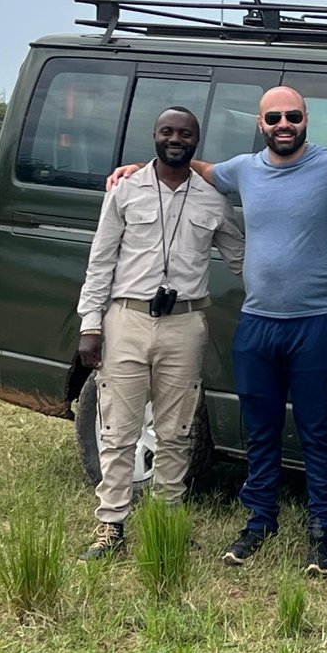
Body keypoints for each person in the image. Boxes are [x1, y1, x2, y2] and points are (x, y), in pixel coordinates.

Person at [106, 87, 327, 576]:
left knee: (317, 432)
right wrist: (134, 169)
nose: (284, 124)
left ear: (306, 118)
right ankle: (259, 519)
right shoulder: (243, 169)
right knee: (261, 430)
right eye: (274, 117)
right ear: (261, 122)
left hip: (315, 323)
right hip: (257, 322)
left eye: (293, 115)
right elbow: (194, 165)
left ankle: (323, 531)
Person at [75, 107, 244, 560]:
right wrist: (91, 325)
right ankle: (111, 525)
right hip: (126, 320)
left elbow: (242, 257)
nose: (176, 139)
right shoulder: (125, 191)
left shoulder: (212, 200)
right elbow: (100, 262)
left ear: (196, 140)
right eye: (167, 131)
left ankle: (167, 520)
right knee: (117, 428)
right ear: (154, 136)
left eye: (185, 133)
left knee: (177, 429)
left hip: (185, 324)